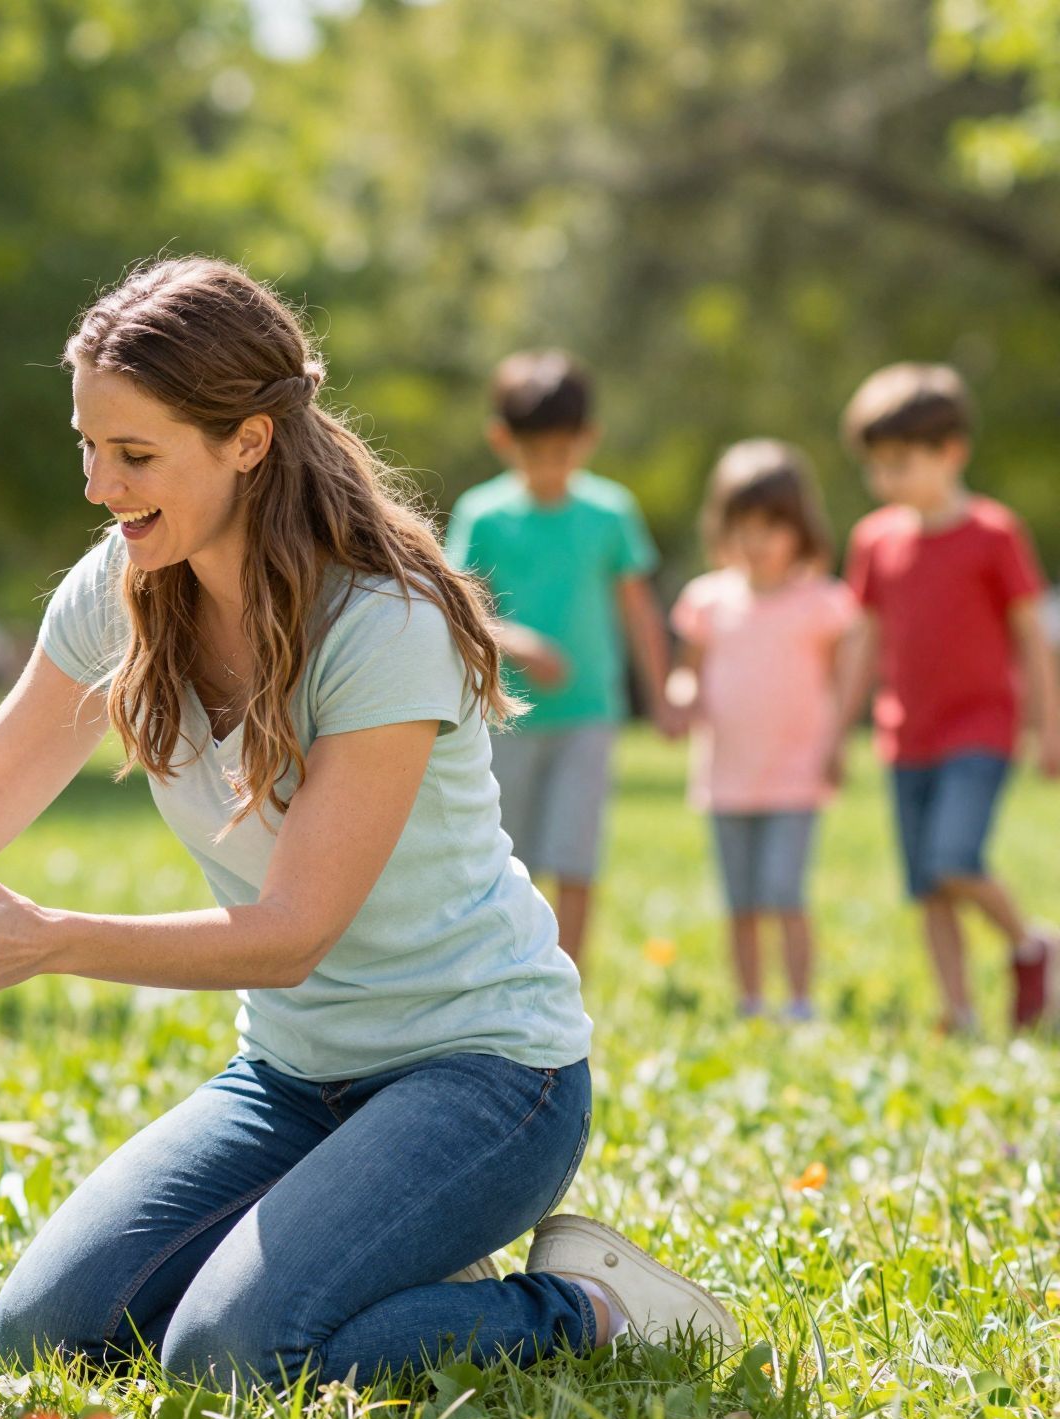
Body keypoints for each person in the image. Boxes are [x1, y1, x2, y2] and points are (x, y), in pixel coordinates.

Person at [0, 257, 738, 1391]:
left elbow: (291, 931)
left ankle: (579, 1307)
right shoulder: (120, 583)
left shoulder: (381, 620)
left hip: (484, 1078)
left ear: (247, 440)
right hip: (291, 1078)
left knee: (232, 1355)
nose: (97, 485)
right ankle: (373, 1256)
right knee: (42, 1335)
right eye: (86, 445)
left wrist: (51, 939)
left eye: (133, 455)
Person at [830, 363, 1060, 1035]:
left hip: (981, 729)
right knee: (928, 887)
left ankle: (1030, 945)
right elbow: (863, 643)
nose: (886, 480)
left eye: (902, 463)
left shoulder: (994, 534)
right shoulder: (874, 540)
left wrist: (1050, 727)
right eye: (877, 466)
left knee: (954, 859)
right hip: (906, 734)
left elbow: (1030, 638)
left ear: (951, 451)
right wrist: (833, 733)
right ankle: (959, 1011)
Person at [443, 352, 679, 966]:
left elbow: (639, 612)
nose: (549, 467)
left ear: (587, 440)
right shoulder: (483, 514)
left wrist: (662, 696)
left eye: (562, 450)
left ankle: (567, 982)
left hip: (588, 713)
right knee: (508, 856)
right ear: (502, 440)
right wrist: (518, 643)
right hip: (509, 715)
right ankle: (507, 970)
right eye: (534, 451)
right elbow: (460, 607)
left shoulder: (610, 512)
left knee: (575, 855)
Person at [667, 441, 856, 1021]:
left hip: (796, 775)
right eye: (743, 526)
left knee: (784, 892)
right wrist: (681, 699)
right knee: (741, 901)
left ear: (800, 529)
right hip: (727, 777)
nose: (757, 541)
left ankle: (799, 1002)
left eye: (772, 526)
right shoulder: (708, 600)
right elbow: (686, 675)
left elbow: (848, 682)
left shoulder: (824, 603)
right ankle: (752, 1000)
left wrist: (837, 743)